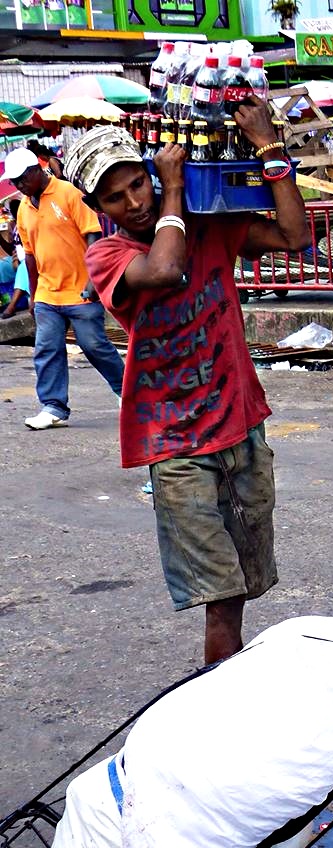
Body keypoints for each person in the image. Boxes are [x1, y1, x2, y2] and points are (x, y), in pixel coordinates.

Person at [66, 101, 311, 664]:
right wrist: (172, 191)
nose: (134, 203)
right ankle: (219, 704)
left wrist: (271, 149)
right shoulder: (108, 255)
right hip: (175, 443)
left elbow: (295, 238)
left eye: (139, 185)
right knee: (218, 593)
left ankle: (230, 686)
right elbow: (166, 269)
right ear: (96, 208)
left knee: (245, 582)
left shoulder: (209, 227)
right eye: (115, 197)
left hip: (239, 425)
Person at [5, 147, 125, 430]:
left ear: (36, 170)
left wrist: (93, 280)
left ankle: (126, 391)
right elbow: (30, 255)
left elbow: (93, 234)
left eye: (22, 179)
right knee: (46, 349)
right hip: (47, 292)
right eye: (15, 183)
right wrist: (34, 296)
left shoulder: (68, 193)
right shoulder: (24, 208)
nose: (19, 186)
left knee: (94, 345)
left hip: (79, 289)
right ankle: (53, 406)